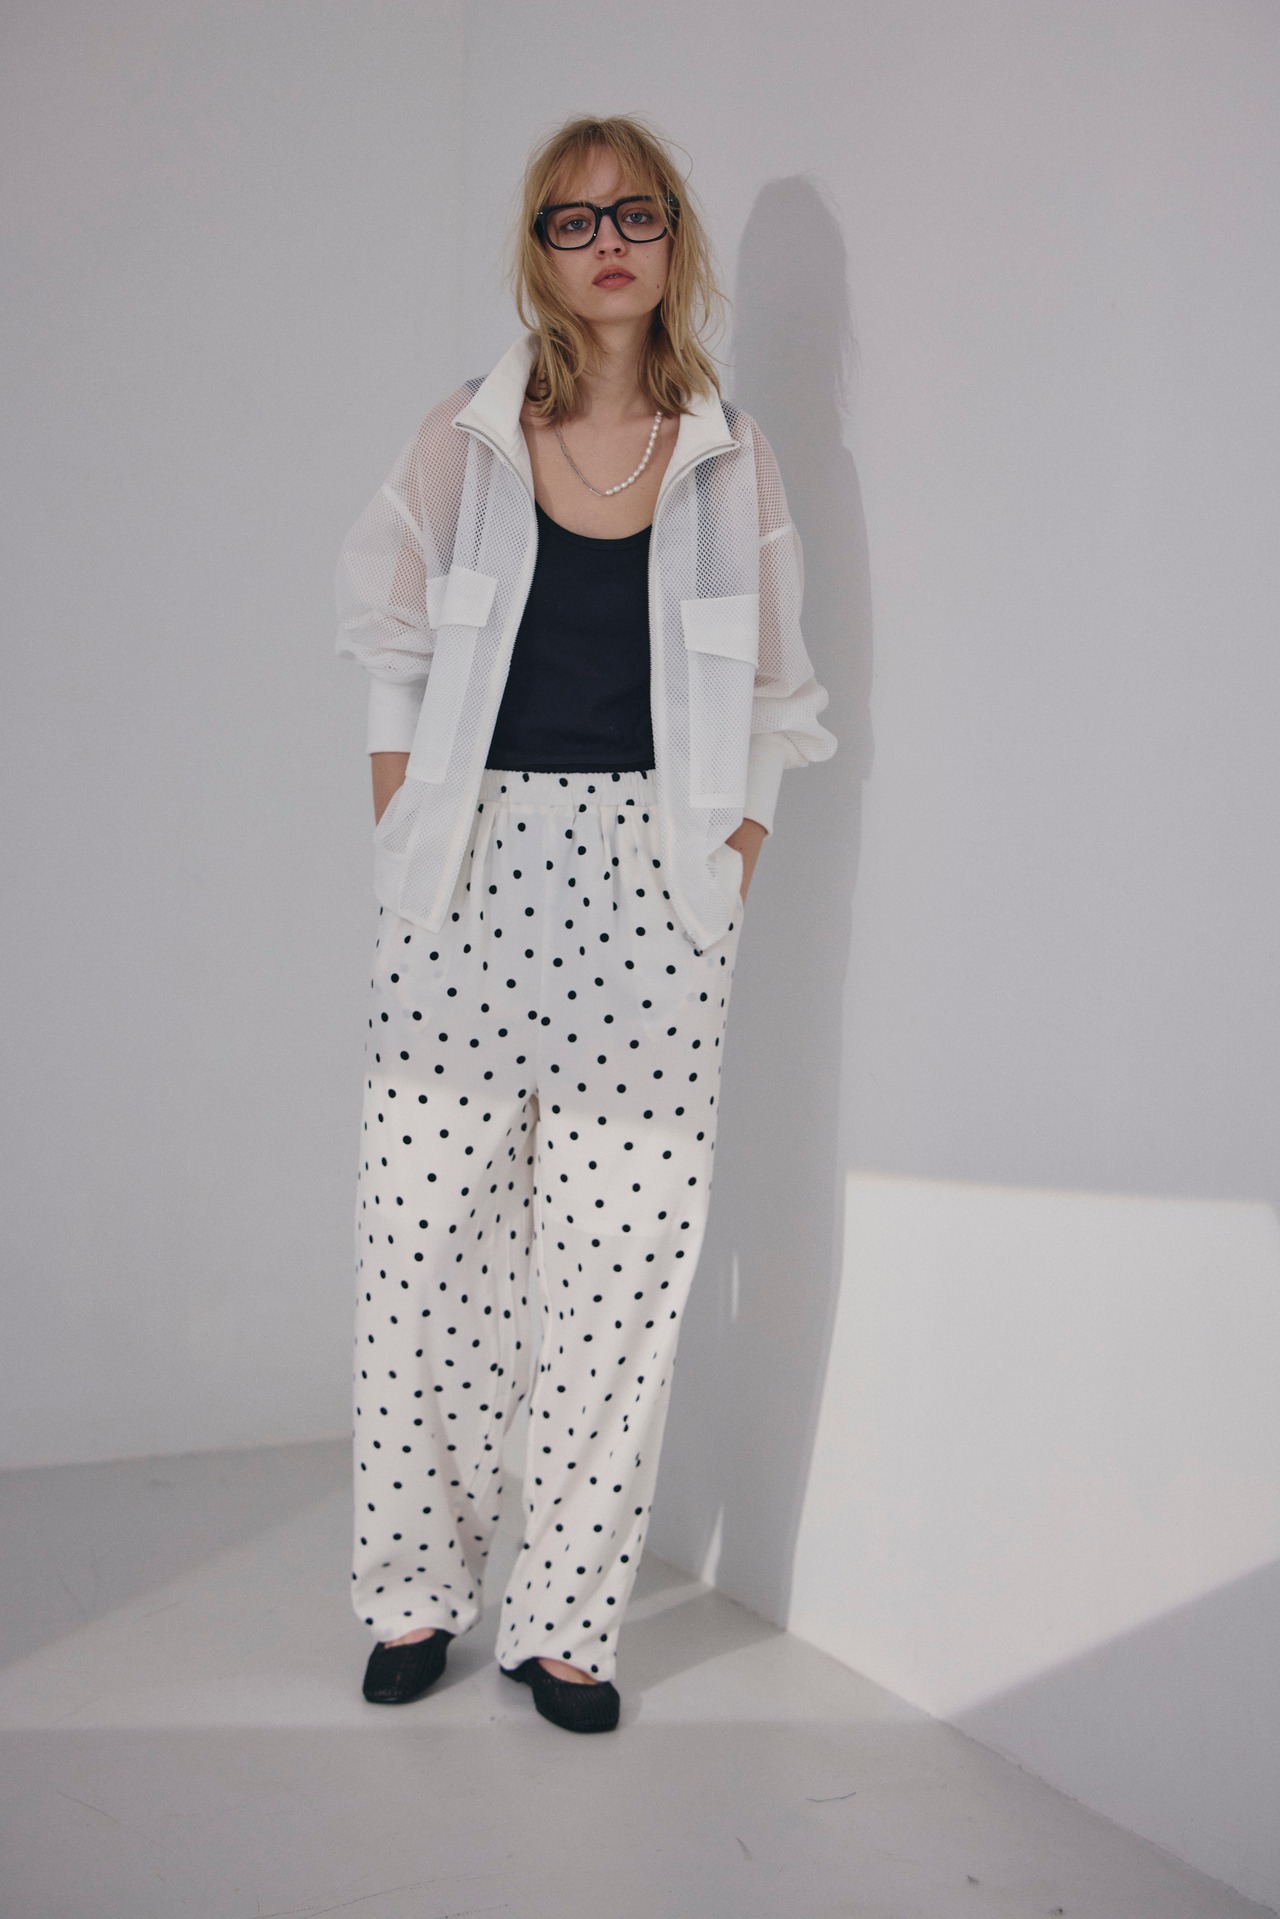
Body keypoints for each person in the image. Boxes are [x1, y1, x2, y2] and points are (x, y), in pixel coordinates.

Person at [333, 112, 836, 1734]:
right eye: (573, 219)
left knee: (620, 1275)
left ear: (674, 241)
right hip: (467, 878)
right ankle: (416, 1592)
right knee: (424, 1254)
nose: (607, 242)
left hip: (652, 889)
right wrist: (407, 840)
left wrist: (725, 871)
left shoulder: (729, 458)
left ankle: (565, 1626)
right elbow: (392, 650)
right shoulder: (467, 437)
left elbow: (779, 697)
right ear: (539, 252)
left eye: (636, 214)